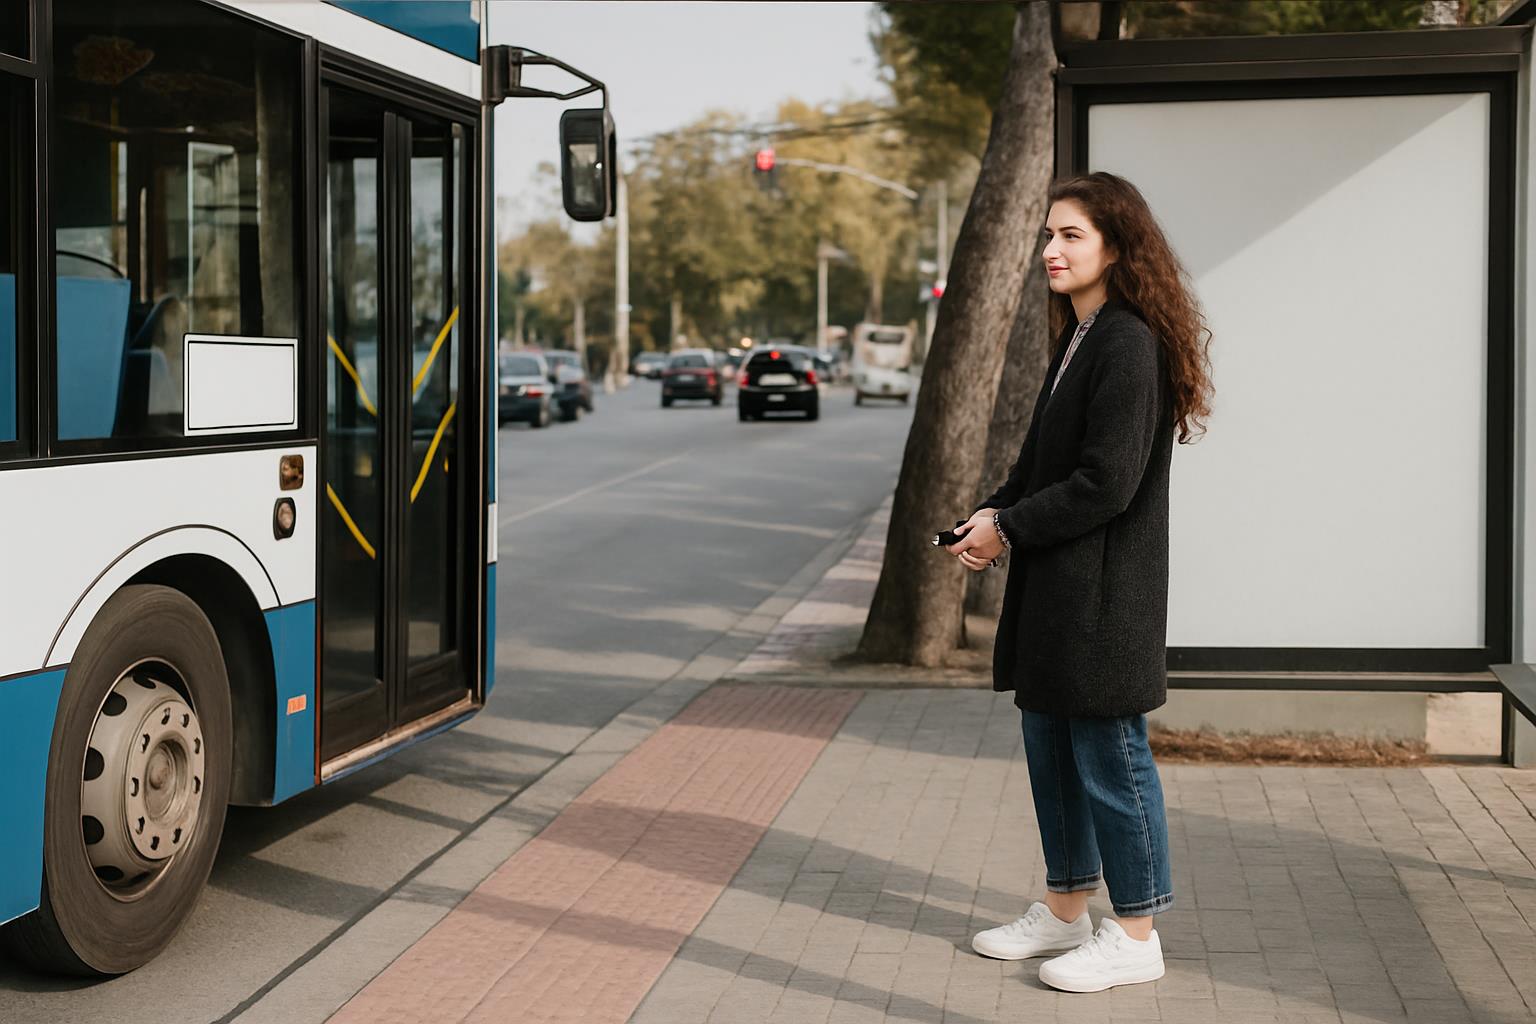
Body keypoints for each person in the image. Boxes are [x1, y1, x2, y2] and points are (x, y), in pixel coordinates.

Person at [947, 171, 1213, 994]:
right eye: (1048, 235)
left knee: (1112, 760)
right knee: (1053, 756)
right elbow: (1038, 468)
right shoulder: (1079, 337)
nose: (1050, 250)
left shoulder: (1130, 341)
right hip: (1058, 600)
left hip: (1103, 602)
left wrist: (1012, 528)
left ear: (1116, 247)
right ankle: (1066, 912)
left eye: (1070, 236)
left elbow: (1108, 483)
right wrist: (990, 517)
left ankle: (1136, 934)